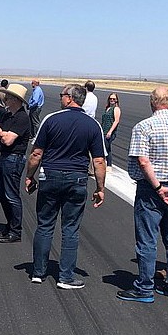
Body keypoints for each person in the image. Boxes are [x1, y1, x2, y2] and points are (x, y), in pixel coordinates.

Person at [116, 86, 168, 302]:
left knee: (147, 240)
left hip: (152, 190)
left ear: (152, 103)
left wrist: (157, 187)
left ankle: (144, 287)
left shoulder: (144, 127)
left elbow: (143, 161)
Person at [24, 84, 107, 287]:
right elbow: (99, 161)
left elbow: (36, 153)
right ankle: (66, 277)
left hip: (50, 176)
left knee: (45, 225)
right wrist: (100, 188)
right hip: (77, 179)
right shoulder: (92, 125)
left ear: (70, 98)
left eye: (62, 95)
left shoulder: (51, 119)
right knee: (70, 229)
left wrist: (29, 176)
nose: (60, 98)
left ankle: (38, 271)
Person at [0, 84, 32, 244]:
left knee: (11, 195)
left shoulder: (22, 118)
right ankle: (9, 226)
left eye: (8, 97)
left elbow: (7, 140)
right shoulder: (7, 116)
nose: (5, 99)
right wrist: (1, 134)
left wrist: (2, 134)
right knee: (1, 194)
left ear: (15, 99)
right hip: (3, 157)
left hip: (14, 158)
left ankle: (16, 230)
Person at [101, 92, 122, 165]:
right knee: (106, 148)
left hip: (109, 132)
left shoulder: (116, 109)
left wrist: (110, 132)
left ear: (116, 100)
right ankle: (108, 164)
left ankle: (106, 164)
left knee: (105, 148)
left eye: (114, 99)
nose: (112, 100)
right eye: (110, 99)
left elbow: (116, 121)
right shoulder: (107, 108)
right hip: (103, 130)